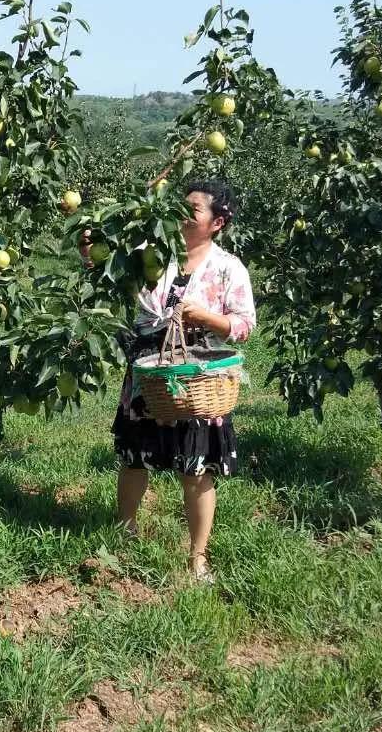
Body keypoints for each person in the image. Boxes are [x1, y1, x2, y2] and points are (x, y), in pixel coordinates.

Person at [88, 180, 256, 584]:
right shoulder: (153, 255)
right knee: (133, 458)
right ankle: (125, 534)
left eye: (194, 209)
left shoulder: (228, 268)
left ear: (217, 222)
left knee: (197, 468)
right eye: (181, 206)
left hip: (197, 378)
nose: (183, 214)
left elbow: (244, 325)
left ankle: (197, 557)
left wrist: (206, 318)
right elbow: (105, 268)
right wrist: (93, 241)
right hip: (149, 370)